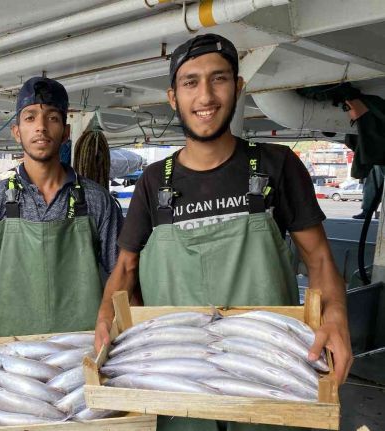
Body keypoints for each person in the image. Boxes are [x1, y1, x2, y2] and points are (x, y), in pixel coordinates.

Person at [93, 34, 352, 431]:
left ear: (238, 86)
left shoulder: (276, 165)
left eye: (219, 79)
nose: (206, 96)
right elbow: (126, 269)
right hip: (179, 386)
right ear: (172, 96)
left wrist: (335, 315)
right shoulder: (151, 182)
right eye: (190, 82)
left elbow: (317, 258)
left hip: (268, 379)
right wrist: (104, 322)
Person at [0, 76, 122, 398]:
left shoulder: (96, 200)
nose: (41, 127)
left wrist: (114, 332)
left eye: (52, 118)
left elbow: (123, 273)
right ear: (17, 131)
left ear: (66, 131)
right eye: (30, 117)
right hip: (13, 360)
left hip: (82, 355)